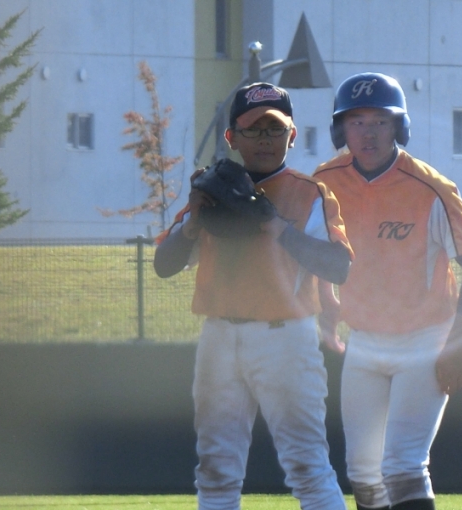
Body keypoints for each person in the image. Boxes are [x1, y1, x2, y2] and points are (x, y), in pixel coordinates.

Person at [154, 82, 353, 510]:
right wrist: (193, 222)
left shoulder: (309, 192)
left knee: (307, 468)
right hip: (219, 337)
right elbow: (164, 264)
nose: (265, 139)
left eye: (275, 129)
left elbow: (338, 267)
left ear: (292, 135)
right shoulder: (212, 189)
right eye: (253, 129)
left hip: (286, 338)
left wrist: (275, 225)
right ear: (232, 137)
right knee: (215, 472)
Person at [314, 73, 462, 510]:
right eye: (356, 121)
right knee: (363, 472)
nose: (368, 133)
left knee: (403, 466)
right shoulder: (324, 181)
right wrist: (326, 304)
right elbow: (316, 251)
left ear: (398, 126)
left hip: (424, 341)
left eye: (380, 121)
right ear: (341, 129)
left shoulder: (431, 188)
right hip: (364, 342)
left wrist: (457, 345)